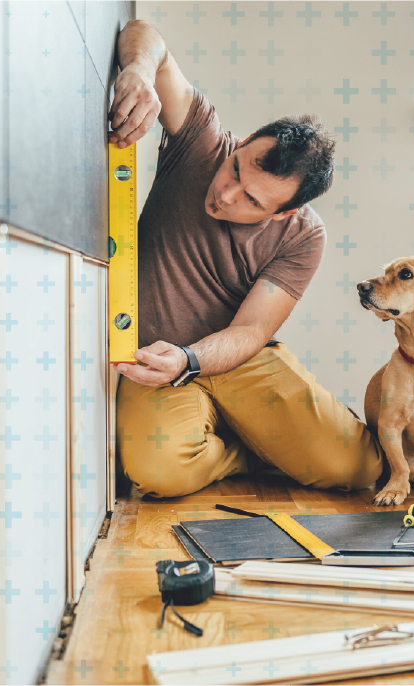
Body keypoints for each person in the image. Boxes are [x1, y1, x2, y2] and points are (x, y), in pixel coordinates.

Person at [108, 20, 383, 498]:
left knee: (357, 467)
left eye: (252, 201)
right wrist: (138, 68)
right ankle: (250, 449)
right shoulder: (202, 143)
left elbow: (252, 330)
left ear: (285, 212)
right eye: (236, 168)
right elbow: (146, 35)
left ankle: (264, 436)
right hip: (152, 356)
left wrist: (192, 358)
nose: (225, 195)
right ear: (244, 141)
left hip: (233, 356)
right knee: (160, 473)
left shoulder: (304, 236)